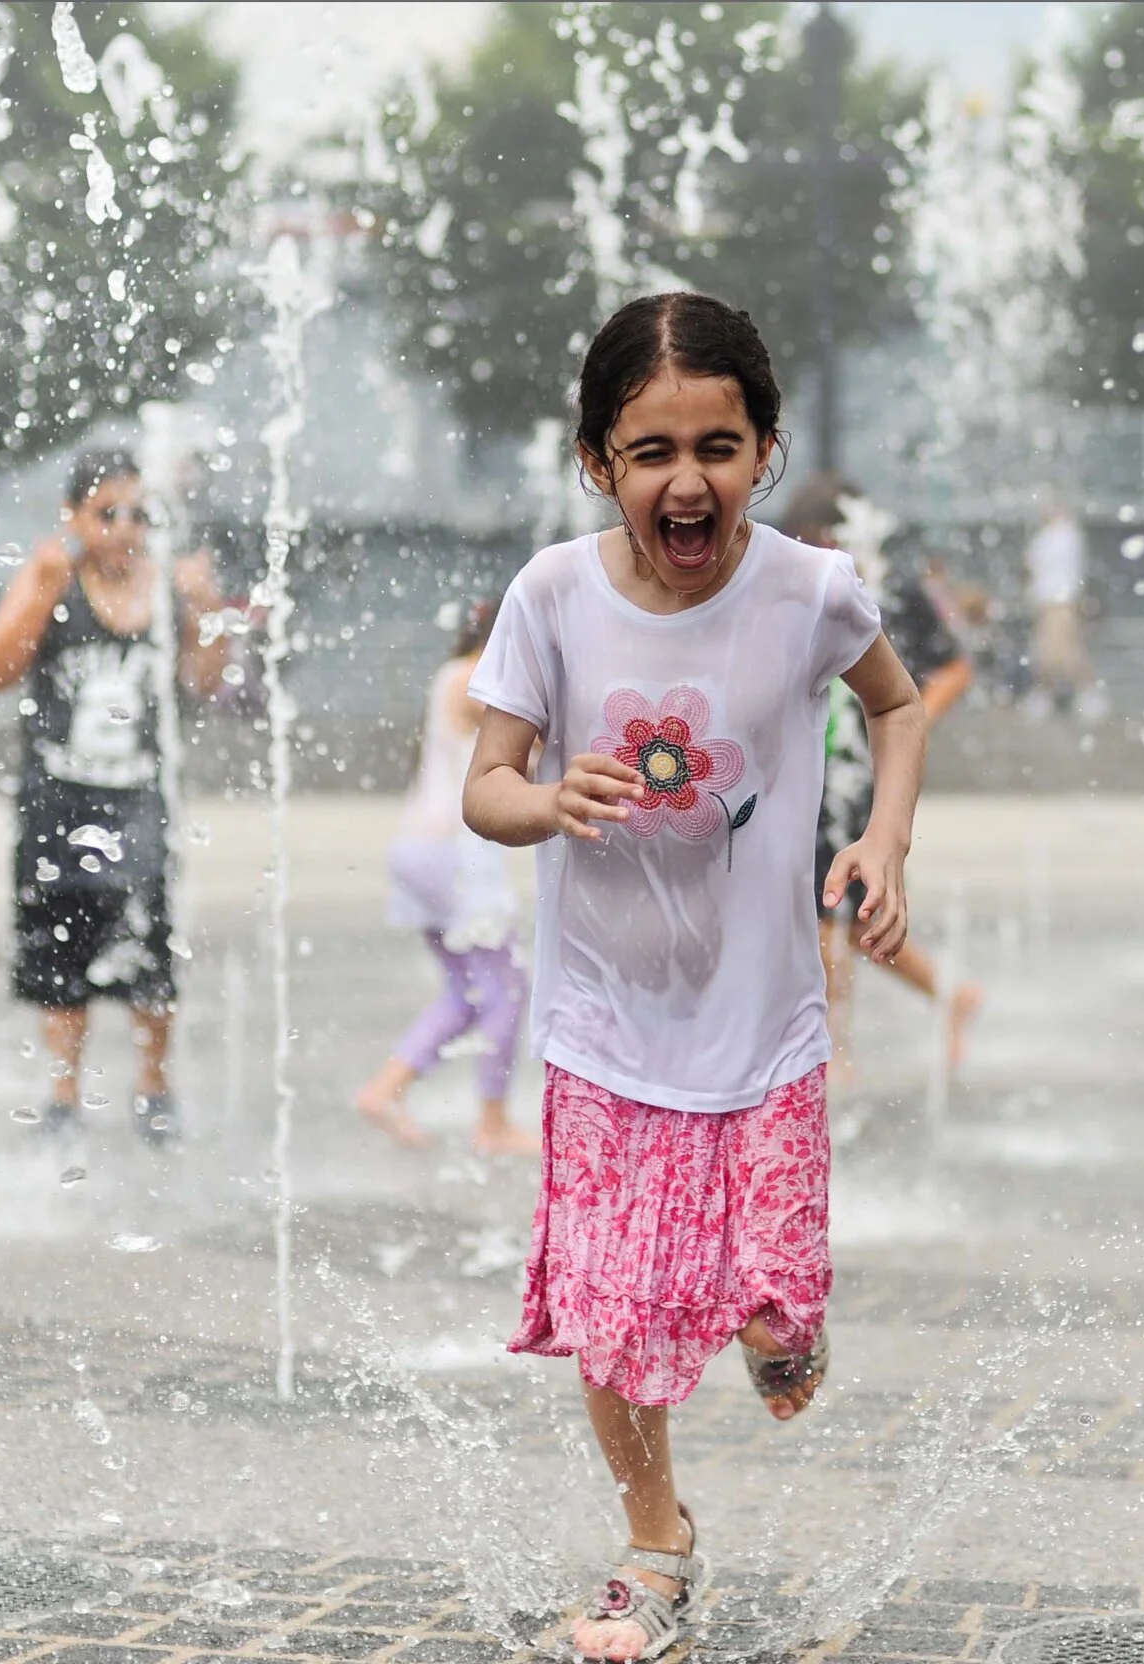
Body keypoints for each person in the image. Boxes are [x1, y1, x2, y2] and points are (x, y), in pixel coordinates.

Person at [461, 292, 925, 1663]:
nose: (687, 479)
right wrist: (543, 803)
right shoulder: (554, 594)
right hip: (606, 1024)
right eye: (651, 449)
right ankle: (655, 1547)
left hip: (764, 1023)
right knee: (612, 1300)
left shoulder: (811, 590)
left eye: (718, 445)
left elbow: (893, 706)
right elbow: (485, 785)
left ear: (764, 450)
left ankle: (788, 1331)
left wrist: (884, 842)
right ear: (599, 460)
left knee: (770, 1307)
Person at [0, 449, 226, 1143]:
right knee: (58, 949)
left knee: (150, 951)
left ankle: (154, 1085)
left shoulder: (167, 590)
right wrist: (41, 587)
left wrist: (205, 608)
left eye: (137, 514)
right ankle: (65, 1093)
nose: (123, 528)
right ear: (75, 517)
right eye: (106, 513)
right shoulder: (53, 576)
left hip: (139, 806)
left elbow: (203, 684)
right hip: (57, 801)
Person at [782, 473, 983, 1072]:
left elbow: (952, 671)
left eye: (828, 541)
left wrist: (900, 726)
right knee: (836, 916)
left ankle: (835, 1046)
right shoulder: (797, 586)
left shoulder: (895, 589)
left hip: (856, 783)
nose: (823, 555)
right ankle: (855, 1034)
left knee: (837, 912)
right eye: (812, 541)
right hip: (809, 774)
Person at [353, 600, 540, 1157]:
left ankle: (384, 1091)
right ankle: (493, 1124)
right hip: (450, 857)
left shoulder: (452, 678)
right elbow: (538, 744)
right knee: (507, 989)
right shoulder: (471, 680)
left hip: (424, 851)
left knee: (468, 993)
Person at [1022, 501, 1092, 716]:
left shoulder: (1061, 535)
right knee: (1056, 651)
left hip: (1057, 600)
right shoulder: (1062, 535)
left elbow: (1036, 565)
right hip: (1054, 601)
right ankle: (1075, 696)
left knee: (1058, 652)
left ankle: (1080, 697)